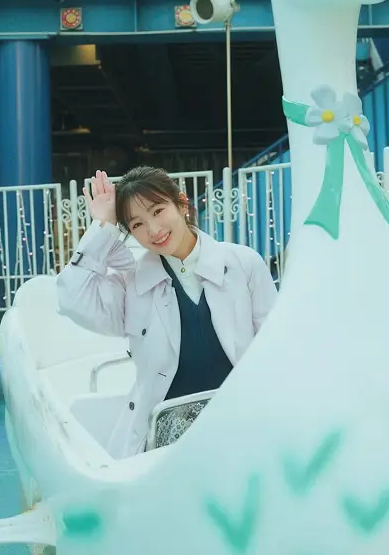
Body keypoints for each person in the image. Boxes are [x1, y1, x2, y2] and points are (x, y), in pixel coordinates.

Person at [56, 166, 278, 458]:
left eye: (158, 211)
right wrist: (103, 225)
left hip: (242, 423)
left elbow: (274, 346)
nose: (153, 230)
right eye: (137, 224)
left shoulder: (243, 264)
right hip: (167, 439)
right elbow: (72, 297)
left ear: (182, 204)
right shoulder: (133, 283)